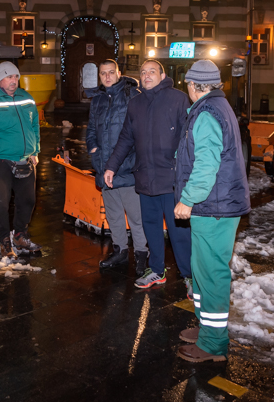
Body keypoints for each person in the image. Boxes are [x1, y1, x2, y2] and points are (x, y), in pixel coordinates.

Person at [173, 60, 251, 362]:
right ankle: (207, 327)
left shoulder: (206, 113)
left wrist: (188, 198)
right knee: (202, 271)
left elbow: (207, 165)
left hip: (213, 206)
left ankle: (212, 344)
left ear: (193, 86)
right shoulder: (218, 106)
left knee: (212, 274)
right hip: (216, 205)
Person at [104, 59, 192, 294]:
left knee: (178, 231)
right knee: (151, 227)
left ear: (162, 76)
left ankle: (189, 275)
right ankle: (156, 270)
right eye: (143, 73)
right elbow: (125, 139)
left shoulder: (178, 99)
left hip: (171, 179)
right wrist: (111, 166)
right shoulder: (136, 104)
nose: (147, 76)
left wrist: (184, 170)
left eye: (152, 71)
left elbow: (187, 139)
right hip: (145, 179)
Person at [86, 59, 149, 275]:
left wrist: (130, 159)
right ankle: (120, 250)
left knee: (135, 216)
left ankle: (142, 254)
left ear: (119, 73)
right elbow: (91, 132)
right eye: (103, 73)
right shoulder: (97, 100)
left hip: (126, 168)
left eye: (111, 72)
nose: (107, 77)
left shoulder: (132, 95)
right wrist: (94, 153)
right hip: (104, 168)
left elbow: (139, 132)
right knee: (113, 215)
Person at [0, 62, 42, 256]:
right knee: (1, 203)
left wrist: (35, 150)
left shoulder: (26, 98)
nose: (14, 81)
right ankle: (3, 238)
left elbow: (34, 125)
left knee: (28, 200)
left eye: (16, 77)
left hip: (25, 159)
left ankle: (20, 235)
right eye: (9, 77)